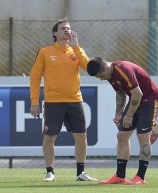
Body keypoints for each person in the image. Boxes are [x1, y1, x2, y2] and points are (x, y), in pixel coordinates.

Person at [29, 18, 97, 182]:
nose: (67, 30)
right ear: (55, 33)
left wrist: (76, 46)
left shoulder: (76, 50)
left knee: (81, 136)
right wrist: (35, 102)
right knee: (50, 137)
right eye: (63, 28)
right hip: (53, 101)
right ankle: (50, 172)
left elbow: (89, 68)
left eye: (69, 28)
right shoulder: (45, 52)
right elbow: (35, 77)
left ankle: (81, 173)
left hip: (75, 100)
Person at [87, 57, 158, 185]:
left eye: (101, 75)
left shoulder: (123, 69)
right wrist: (119, 113)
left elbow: (138, 94)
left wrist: (129, 115)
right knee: (122, 136)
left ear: (106, 68)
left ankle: (140, 177)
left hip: (150, 100)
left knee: (143, 137)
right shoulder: (110, 74)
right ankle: (120, 176)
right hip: (136, 101)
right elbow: (120, 93)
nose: (101, 78)